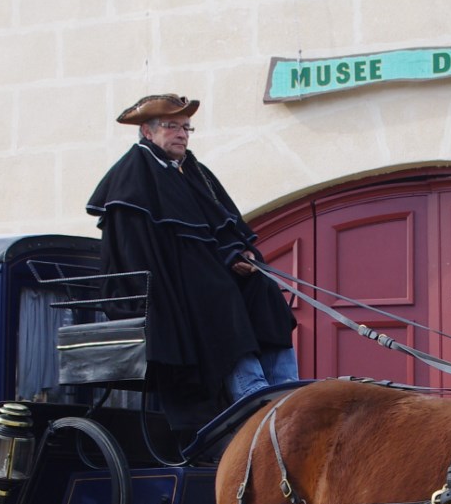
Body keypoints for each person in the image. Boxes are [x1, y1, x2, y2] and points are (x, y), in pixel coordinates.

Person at [86, 93, 298, 433]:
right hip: (162, 284)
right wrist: (217, 263)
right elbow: (142, 249)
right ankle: (251, 390)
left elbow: (220, 229)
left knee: (262, 288)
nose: (182, 134)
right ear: (147, 131)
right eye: (172, 126)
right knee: (219, 291)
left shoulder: (194, 172)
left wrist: (240, 254)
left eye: (186, 127)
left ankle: (285, 385)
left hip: (200, 274)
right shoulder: (132, 175)